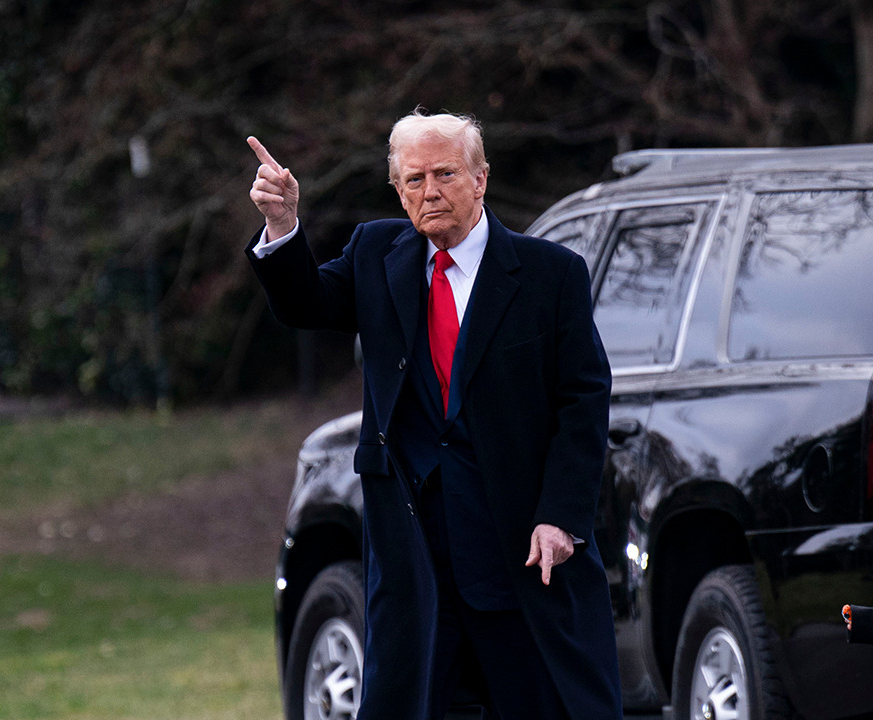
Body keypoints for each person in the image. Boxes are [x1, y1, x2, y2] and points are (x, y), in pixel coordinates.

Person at [245, 110, 623, 720]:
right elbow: (305, 302)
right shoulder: (377, 254)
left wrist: (559, 517)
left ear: (480, 179)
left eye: (445, 173)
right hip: (414, 555)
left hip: (520, 553)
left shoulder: (551, 274)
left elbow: (583, 403)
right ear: (397, 190)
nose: (430, 191)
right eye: (414, 179)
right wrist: (283, 224)